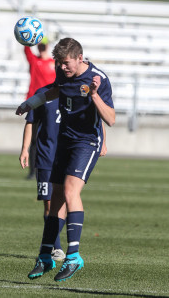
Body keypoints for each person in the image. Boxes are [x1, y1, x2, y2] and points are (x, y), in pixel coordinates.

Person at [16, 38, 115, 282]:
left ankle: (73, 257)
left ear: (80, 58)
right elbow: (55, 91)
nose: (62, 67)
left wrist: (94, 95)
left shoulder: (98, 78)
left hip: (86, 143)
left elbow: (111, 119)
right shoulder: (63, 74)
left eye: (66, 63)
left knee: (71, 191)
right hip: (64, 142)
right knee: (56, 196)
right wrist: (30, 103)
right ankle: (45, 256)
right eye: (59, 63)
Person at [19, 83, 66, 261]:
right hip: (45, 157)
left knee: (64, 201)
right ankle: (56, 246)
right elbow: (31, 122)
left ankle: (50, 240)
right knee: (48, 203)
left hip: (68, 157)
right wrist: (25, 149)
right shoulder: (42, 94)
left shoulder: (77, 92)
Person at [24, 37, 56, 179]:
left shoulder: (53, 64)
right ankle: (33, 171)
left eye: (44, 45)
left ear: (48, 46)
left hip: (49, 105)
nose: (42, 47)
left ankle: (50, 168)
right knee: (34, 140)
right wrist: (27, 39)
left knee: (49, 137)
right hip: (35, 103)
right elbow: (26, 50)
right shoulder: (34, 61)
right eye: (40, 45)